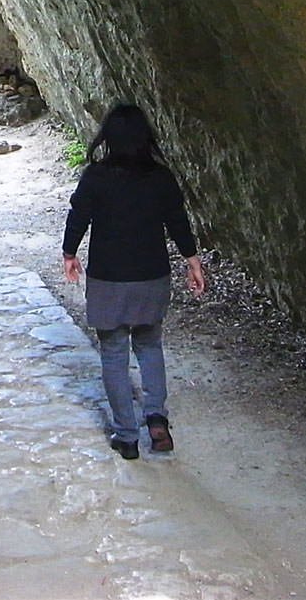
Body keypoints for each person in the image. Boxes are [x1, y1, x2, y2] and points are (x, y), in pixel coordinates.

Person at [62, 103, 207, 459]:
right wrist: (193, 260)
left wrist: (69, 254)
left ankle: (127, 437)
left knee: (113, 354)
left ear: (107, 137)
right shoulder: (160, 177)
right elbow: (177, 221)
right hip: (151, 275)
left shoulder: (96, 177)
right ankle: (156, 419)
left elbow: (78, 214)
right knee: (149, 345)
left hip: (108, 277)